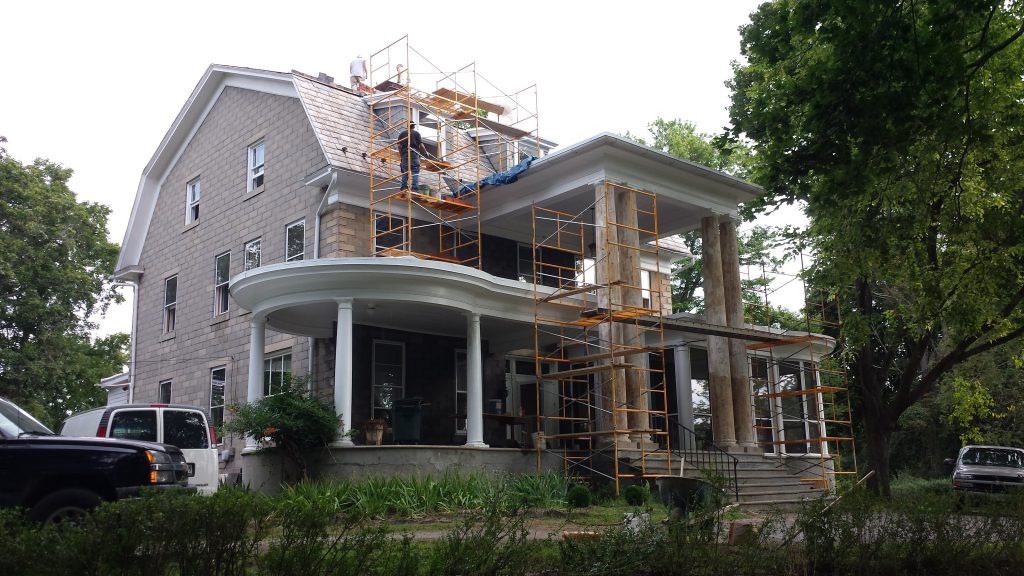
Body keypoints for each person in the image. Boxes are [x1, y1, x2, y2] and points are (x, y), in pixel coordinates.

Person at [396, 123, 428, 191]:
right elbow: (421, 145)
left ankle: (404, 187)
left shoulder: (402, 134)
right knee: (415, 171)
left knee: (405, 171)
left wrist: (401, 154)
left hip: (405, 153)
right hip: (414, 153)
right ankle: (414, 188)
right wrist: (425, 153)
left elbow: (399, 145)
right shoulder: (416, 133)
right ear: (413, 126)